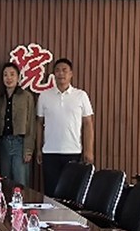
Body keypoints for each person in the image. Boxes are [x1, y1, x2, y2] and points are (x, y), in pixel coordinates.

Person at [35, 58, 95, 196]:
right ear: (53, 74)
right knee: (51, 193)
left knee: (71, 193)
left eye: (64, 70)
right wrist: (38, 148)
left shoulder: (81, 95)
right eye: (57, 70)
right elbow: (39, 123)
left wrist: (89, 151)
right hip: (50, 152)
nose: (61, 73)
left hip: (73, 151)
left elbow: (88, 123)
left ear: (71, 74)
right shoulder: (44, 96)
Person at [0, 62, 36, 187]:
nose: (9, 78)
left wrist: (28, 150)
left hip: (20, 143)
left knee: (20, 181)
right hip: (3, 143)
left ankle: (21, 201)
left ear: (18, 77)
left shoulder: (26, 96)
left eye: (12, 74)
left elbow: (31, 124)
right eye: (5, 75)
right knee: (5, 181)